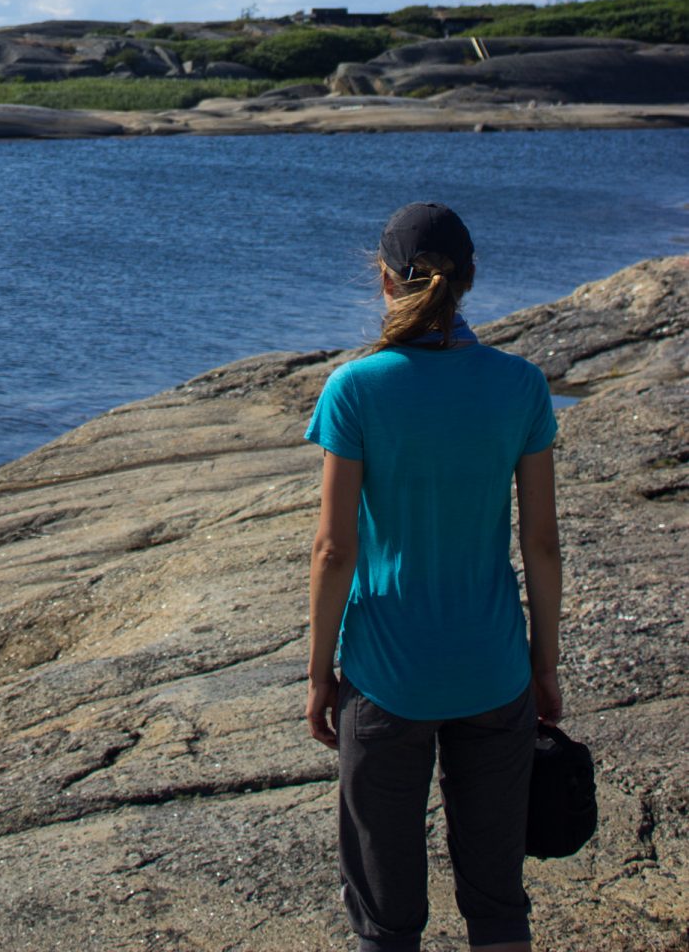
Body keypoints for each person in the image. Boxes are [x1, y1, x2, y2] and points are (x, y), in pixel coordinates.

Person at [303, 202, 563, 952]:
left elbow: (331, 549)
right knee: (496, 901)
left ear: (384, 282)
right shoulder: (520, 385)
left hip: (386, 678)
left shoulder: (356, 389)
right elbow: (540, 544)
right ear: (469, 280)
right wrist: (541, 665)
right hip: (492, 670)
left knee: (385, 919)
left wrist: (320, 673)